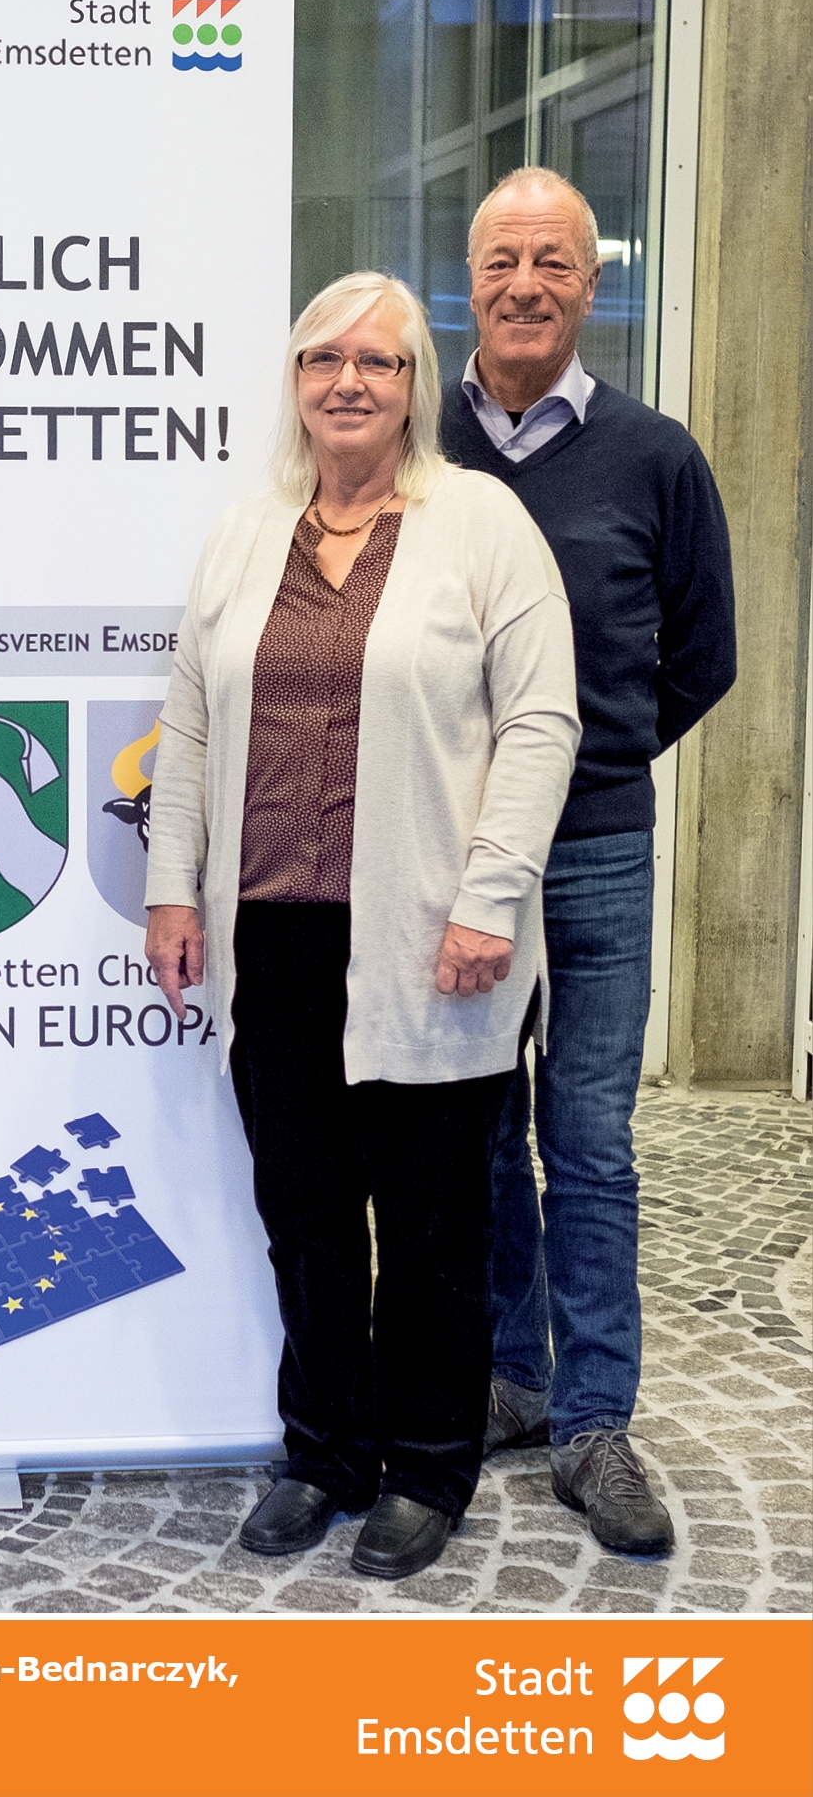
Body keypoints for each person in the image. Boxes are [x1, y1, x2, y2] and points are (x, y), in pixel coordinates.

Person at [145, 271, 579, 1582]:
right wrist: (173, 884)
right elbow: (189, 722)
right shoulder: (244, 537)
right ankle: (325, 1452)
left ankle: (427, 1468)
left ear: (412, 387)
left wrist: (489, 899)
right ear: (294, 383)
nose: (348, 381)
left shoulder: (481, 525)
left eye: (377, 362)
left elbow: (540, 723)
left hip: (432, 942)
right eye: (322, 359)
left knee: (436, 1226)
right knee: (309, 1215)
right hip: (273, 937)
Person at [442, 168, 736, 1557]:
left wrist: (591, 755)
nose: (525, 286)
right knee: (477, 1126)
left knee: (590, 1137)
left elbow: (704, 652)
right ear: (467, 279)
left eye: (551, 262)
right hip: (443, 854)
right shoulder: (421, 440)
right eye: (502, 260)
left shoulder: (656, 456)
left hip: (598, 845)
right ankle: (511, 1376)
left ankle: (595, 1421)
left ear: (590, 282)